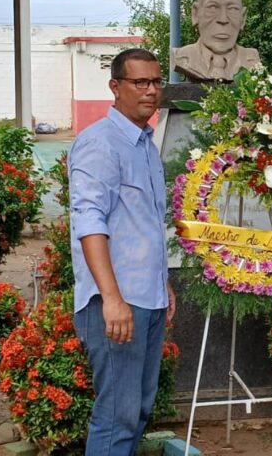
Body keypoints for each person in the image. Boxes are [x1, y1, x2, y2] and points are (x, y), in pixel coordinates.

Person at [68, 48, 176, 456]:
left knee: (138, 410)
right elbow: (89, 224)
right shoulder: (100, 144)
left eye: (156, 82)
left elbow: (142, 223)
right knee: (117, 414)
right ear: (115, 87)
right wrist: (112, 299)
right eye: (140, 83)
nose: (151, 91)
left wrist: (162, 282)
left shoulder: (145, 144)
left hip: (146, 299)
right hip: (115, 303)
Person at [173, 0, 261, 82]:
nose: (223, 19)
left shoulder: (252, 60)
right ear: (195, 14)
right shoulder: (181, 57)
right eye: (212, 8)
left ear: (243, 18)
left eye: (232, 9)